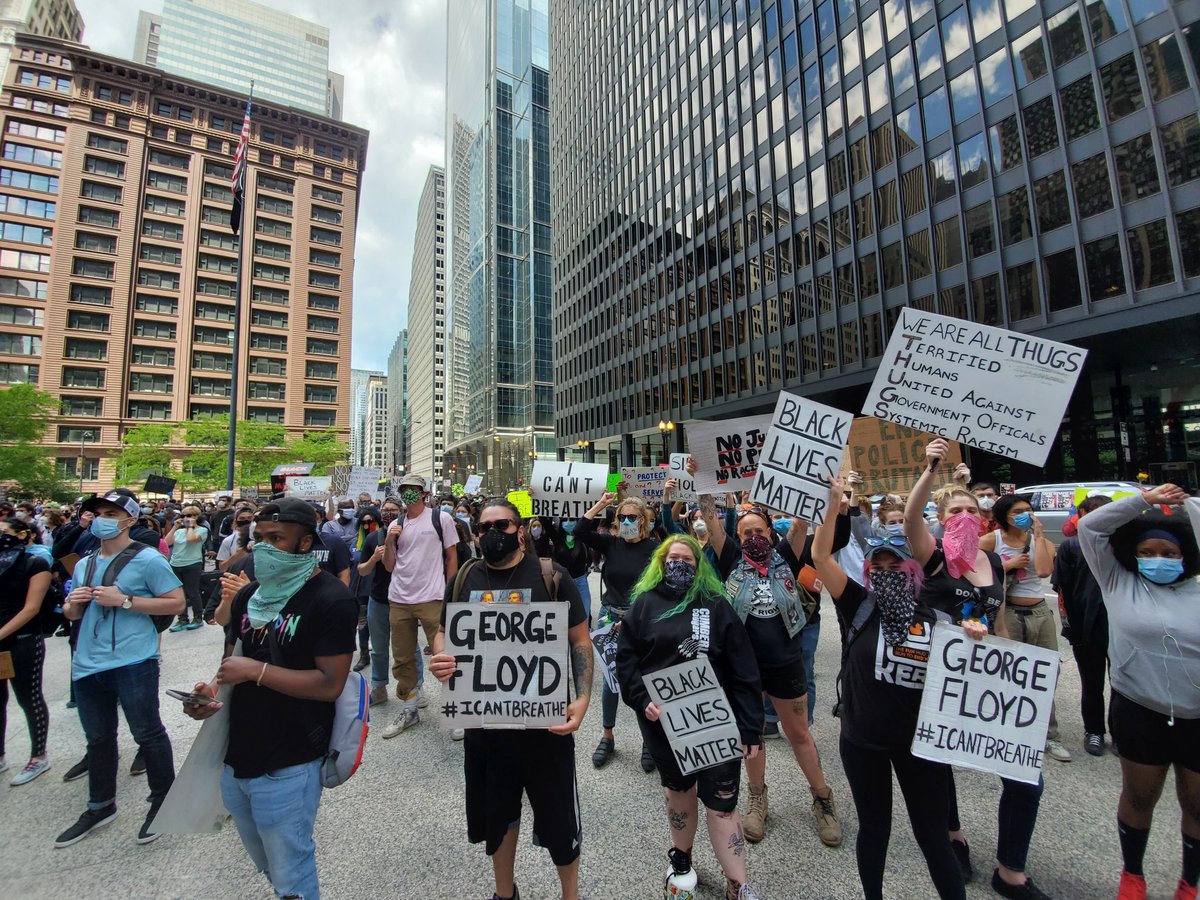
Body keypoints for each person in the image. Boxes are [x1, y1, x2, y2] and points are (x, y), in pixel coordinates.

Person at [182, 498, 357, 900]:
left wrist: (256, 673)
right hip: (237, 754)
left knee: (291, 865)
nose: (262, 546)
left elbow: (330, 683)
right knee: (268, 861)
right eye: (257, 537)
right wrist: (209, 693)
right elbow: (235, 662)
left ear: (305, 543)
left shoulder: (330, 599)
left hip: (291, 759)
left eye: (276, 538)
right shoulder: (248, 597)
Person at [906, 440, 1052, 900]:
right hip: (942, 678)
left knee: (1027, 778)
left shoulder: (992, 561)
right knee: (940, 763)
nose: (966, 517)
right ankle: (954, 837)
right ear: (943, 520)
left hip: (989, 679)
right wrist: (931, 469)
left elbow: (1001, 617)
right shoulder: (932, 556)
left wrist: (1013, 663)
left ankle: (1011, 870)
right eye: (956, 513)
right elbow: (911, 517)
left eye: (972, 510)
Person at [429, 498, 593, 900]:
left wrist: (584, 698)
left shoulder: (553, 576)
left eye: (501, 525)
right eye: (484, 528)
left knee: (559, 822)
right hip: (485, 728)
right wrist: (440, 655)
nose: (492, 533)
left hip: (545, 729)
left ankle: (570, 895)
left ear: (519, 530)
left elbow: (580, 640)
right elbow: (442, 630)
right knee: (497, 820)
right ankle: (505, 894)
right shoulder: (464, 577)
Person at [813, 477, 966, 900]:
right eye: (876, 567)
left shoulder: (937, 617)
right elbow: (820, 555)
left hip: (921, 747)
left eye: (894, 566)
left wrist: (975, 638)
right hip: (863, 741)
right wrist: (832, 502)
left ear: (912, 569)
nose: (884, 573)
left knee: (933, 837)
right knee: (874, 829)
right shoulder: (858, 604)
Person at [615, 534, 765, 900]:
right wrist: (641, 697)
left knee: (722, 805)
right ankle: (682, 859)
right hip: (664, 726)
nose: (678, 564)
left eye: (687, 559)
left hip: (716, 724)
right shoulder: (644, 605)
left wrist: (750, 727)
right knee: (679, 793)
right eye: (672, 558)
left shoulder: (715, 606)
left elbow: (744, 670)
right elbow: (627, 660)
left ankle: (738, 883)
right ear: (661, 563)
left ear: (698, 567)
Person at [700, 491, 842, 849]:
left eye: (758, 531)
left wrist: (817, 487)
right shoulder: (731, 558)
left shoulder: (785, 558)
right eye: (746, 533)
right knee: (753, 737)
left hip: (786, 664)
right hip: (746, 670)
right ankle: (757, 798)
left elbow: (800, 521)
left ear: (769, 532)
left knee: (799, 735)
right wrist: (703, 483)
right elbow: (713, 524)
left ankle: (822, 798)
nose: (753, 538)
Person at [1078, 484, 1200, 900]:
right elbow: (1091, 528)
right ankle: (1133, 875)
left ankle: (1190, 881)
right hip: (1139, 709)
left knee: (1197, 804)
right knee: (1140, 795)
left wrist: (1191, 507)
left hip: (1197, 715)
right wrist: (1143, 501)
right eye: (1148, 552)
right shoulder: (1118, 581)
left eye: (1168, 554)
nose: (1158, 560)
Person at [55, 489, 185, 848]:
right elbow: (70, 613)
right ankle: (100, 804)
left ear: (129, 519)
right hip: (87, 663)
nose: (102, 518)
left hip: (133, 660)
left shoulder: (147, 560)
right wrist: (73, 606)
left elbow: (175, 602)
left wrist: (125, 600)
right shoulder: (84, 563)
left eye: (111, 513)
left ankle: (163, 800)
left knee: (147, 733)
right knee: (98, 738)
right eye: (98, 512)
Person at [574, 492, 660, 770]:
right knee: (611, 680)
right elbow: (579, 530)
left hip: (642, 620)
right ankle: (607, 735)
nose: (626, 521)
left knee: (645, 678)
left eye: (632, 517)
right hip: (610, 616)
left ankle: (649, 740)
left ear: (644, 521)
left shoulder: (654, 548)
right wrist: (602, 504)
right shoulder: (611, 544)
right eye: (621, 517)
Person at [980, 494, 1067, 763]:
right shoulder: (990, 541)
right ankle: (1006, 730)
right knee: (1009, 672)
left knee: (1045, 673)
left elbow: (1043, 571)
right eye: (1018, 511)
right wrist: (1006, 566)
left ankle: (1048, 735)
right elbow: (972, 572)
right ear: (1004, 515)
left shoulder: (1043, 542)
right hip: (1008, 613)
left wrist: (1039, 536)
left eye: (1029, 510)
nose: (1025, 515)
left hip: (1040, 612)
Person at [380, 474, 458, 736]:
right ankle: (410, 708)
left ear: (424, 493)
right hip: (399, 599)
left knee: (444, 655)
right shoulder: (397, 524)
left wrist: (451, 591)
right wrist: (390, 540)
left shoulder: (441, 519)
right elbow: (389, 566)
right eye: (405, 489)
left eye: (414, 489)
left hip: (432, 598)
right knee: (402, 658)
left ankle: (456, 709)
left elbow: (451, 556)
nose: (409, 493)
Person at [1051, 494, 1114, 756]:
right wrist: (1069, 624)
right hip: (1085, 625)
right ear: (1083, 514)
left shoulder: (1122, 543)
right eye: (1095, 512)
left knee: (1123, 683)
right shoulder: (1072, 547)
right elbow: (1062, 588)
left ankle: (1121, 732)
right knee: (1092, 682)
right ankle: (1094, 731)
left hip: (1120, 626)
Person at [0, 515, 53, 786]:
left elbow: (31, 608)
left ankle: (39, 755)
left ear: (24, 535)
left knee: (28, 697)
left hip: (23, 639)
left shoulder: (35, 563)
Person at [356, 498, 399, 707]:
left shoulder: (409, 536)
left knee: (408, 649)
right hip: (378, 599)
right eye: (386, 510)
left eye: (394, 510)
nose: (389, 513)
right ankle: (379, 687)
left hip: (403, 600)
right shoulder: (373, 538)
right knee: (379, 648)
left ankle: (415, 688)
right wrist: (373, 559)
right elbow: (362, 570)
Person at [165, 505, 208, 632]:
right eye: (183, 516)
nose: (186, 518)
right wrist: (174, 527)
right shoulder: (179, 532)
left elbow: (191, 540)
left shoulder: (202, 530)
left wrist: (190, 526)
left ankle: (198, 617)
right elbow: (166, 542)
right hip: (176, 563)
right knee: (179, 593)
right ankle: (182, 618)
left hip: (192, 564)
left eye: (190, 516)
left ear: (197, 517)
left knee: (193, 592)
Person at [348, 506, 380, 672]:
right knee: (362, 625)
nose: (367, 525)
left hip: (380, 590)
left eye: (371, 521)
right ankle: (364, 655)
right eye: (363, 522)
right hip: (360, 591)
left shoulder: (382, 540)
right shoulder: (355, 543)